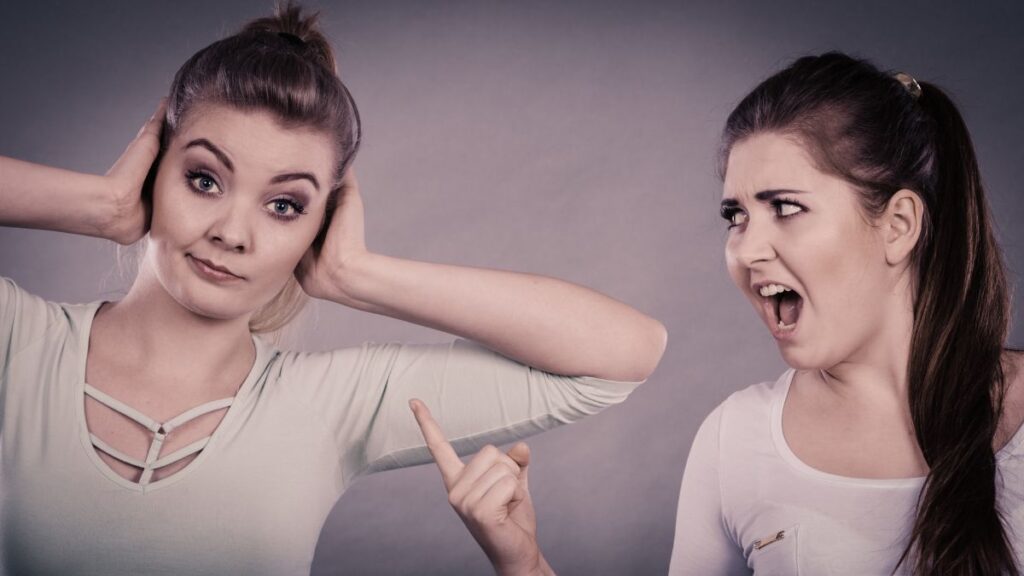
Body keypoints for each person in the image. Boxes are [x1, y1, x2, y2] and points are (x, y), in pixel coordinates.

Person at [0, 4, 667, 575]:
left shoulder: (330, 404)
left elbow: (623, 351)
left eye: (285, 205)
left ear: (320, 225)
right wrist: (97, 204)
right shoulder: (18, 343)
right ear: (154, 169)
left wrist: (355, 274)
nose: (234, 233)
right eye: (205, 179)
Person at [417, 52, 1024, 575]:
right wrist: (524, 564)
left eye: (784, 207)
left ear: (897, 226)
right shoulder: (736, 440)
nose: (746, 249)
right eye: (735, 215)